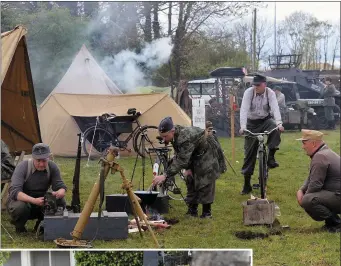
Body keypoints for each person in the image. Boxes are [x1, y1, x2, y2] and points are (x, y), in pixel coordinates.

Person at [152, 117, 225, 218]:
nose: (163, 140)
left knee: (205, 181)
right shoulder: (175, 133)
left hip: (206, 152)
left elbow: (182, 160)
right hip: (193, 154)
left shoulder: (184, 137)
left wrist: (164, 175)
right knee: (190, 179)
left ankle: (206, 213)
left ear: (172, 131)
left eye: (165, 136)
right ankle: (192, 210)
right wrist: (188, 168)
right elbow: (181, 153)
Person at [239, 74, 284, 195]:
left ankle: (271, 157)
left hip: (265, 121)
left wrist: (279, 124)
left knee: (275, 128)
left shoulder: (270, 93)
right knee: (249, 154)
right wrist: (243, 127)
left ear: (265, 84)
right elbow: (243, 110)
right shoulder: (248, 93)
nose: (256, 87)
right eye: (254, 85)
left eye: (258, 85)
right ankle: (247, 184)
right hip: (251, 123)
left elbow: (275, 108)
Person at [7, 143, 67, 233]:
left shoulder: (52, 167)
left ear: (49, 157)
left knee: (60, 202)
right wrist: (34, 200)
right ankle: (19, 226)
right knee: (19, 207)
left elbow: (60, 186)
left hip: (42, 201)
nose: (41, 164)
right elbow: (15, 192)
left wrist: (61, 191)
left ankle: (41, 224)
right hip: (24, 202)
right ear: (33, 158)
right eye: (38, 161)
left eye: (44, 160)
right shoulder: (22, 167)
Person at [296, 129, 340, 232]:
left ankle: (336, 223)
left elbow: (315, 185)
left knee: (308, 200)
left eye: (304, 143)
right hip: (336, 193)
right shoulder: (324, 152)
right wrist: (301, 190)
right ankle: (331, 223)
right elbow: (312, 176)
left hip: (338, 195)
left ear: (314, 143)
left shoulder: (320, 156)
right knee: (309, 197)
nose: (303, 147)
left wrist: (304, 198)